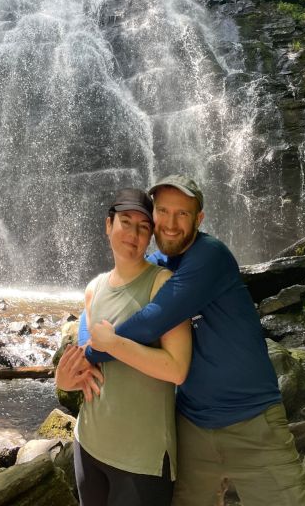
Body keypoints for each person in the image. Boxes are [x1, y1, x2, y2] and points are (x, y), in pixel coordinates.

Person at [75, 174, 305, 506]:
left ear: (199, 219)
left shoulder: (209, 255)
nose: (171, 224)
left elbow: (150, 322)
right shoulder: (157, 266)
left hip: (253, 423)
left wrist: (93, 353)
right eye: (163, 212)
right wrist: (86, 342)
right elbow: (96, 306)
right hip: (191, 427)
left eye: (183, 214)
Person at [56, 187, 192, 506]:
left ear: (150, 238)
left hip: (141, 460)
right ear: (108, 225)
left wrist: (115, 344)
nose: (133, 234)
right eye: (125, 222)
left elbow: (178, 369)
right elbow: (86, 365)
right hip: (88, 443)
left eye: (143, 227)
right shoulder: (94, 289)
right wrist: (64, 382)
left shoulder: (163, 285)